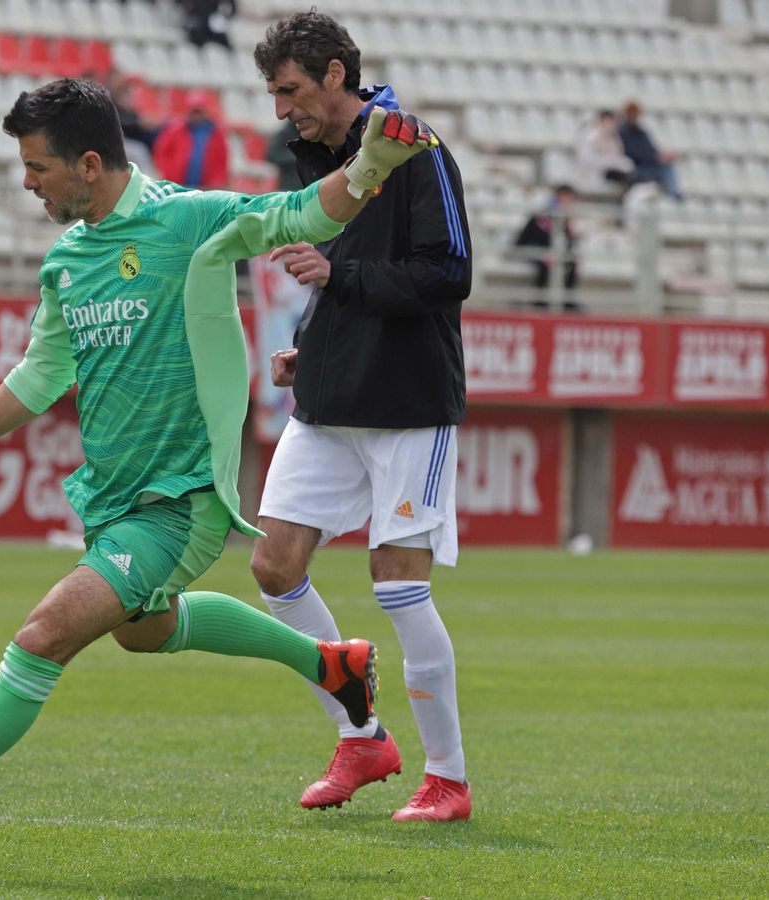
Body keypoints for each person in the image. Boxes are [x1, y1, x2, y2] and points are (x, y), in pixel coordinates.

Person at [0, 77, 437, 858]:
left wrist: (367, 167)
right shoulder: (66, 260)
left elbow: (296, 214)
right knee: (144, 632)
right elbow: (39, 374)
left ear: (89, 163)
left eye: (37, 167)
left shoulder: (185, 221)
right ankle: (333, 665)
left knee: (43, 636)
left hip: (179, 501)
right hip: (113, 503)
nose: (27, 182)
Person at [248, 12, 473, 822]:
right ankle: (363, 735)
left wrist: (336, 284)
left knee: (399, 587)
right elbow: (333, 274)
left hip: (409, 404)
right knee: (273, 565)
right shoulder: (312, 158)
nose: (282, 109)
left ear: (336, 75)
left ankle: (447, 778)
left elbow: (448, 272)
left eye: (291, 89)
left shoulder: (416, 146)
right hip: (330, 394)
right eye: (275, 92)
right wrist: (316, 343)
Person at [151, 89, 228, 190]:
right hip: (177, 185)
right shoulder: (174, 131)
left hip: (204, 188)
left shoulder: (215, 134)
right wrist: (168, 174)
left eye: (198, 111)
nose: (196, 115)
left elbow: (221, 162)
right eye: (193, 111)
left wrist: (215, 183)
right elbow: (160, 154)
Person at [515, 184, 579, 296]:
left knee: (571, 261)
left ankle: (568, 300)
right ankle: (540, 301)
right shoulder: (543, 215)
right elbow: (540, 238)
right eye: (567, 198)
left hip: (550, 251)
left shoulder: (565, 218)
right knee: (547, 262)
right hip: (530, 247)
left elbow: (569, 241)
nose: (569, 203)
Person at [619, 101, 680, 199]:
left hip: (647, 164)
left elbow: (651, 149)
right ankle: (671, 193)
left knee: (667, 164)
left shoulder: (641, 133)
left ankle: (672, 193)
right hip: (635, 167)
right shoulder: (623, 132)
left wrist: (662, 156)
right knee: (662, 170)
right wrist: (655, 157)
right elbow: (631, 152)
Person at [577, 109, 634, 196]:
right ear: (602, 120)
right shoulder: (591, 137)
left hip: (613, 171)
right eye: (610, 121)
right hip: (597, 173)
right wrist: (612, 162)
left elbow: (620, 158)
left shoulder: (615, 137)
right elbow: (589, 160)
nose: (613, 124)